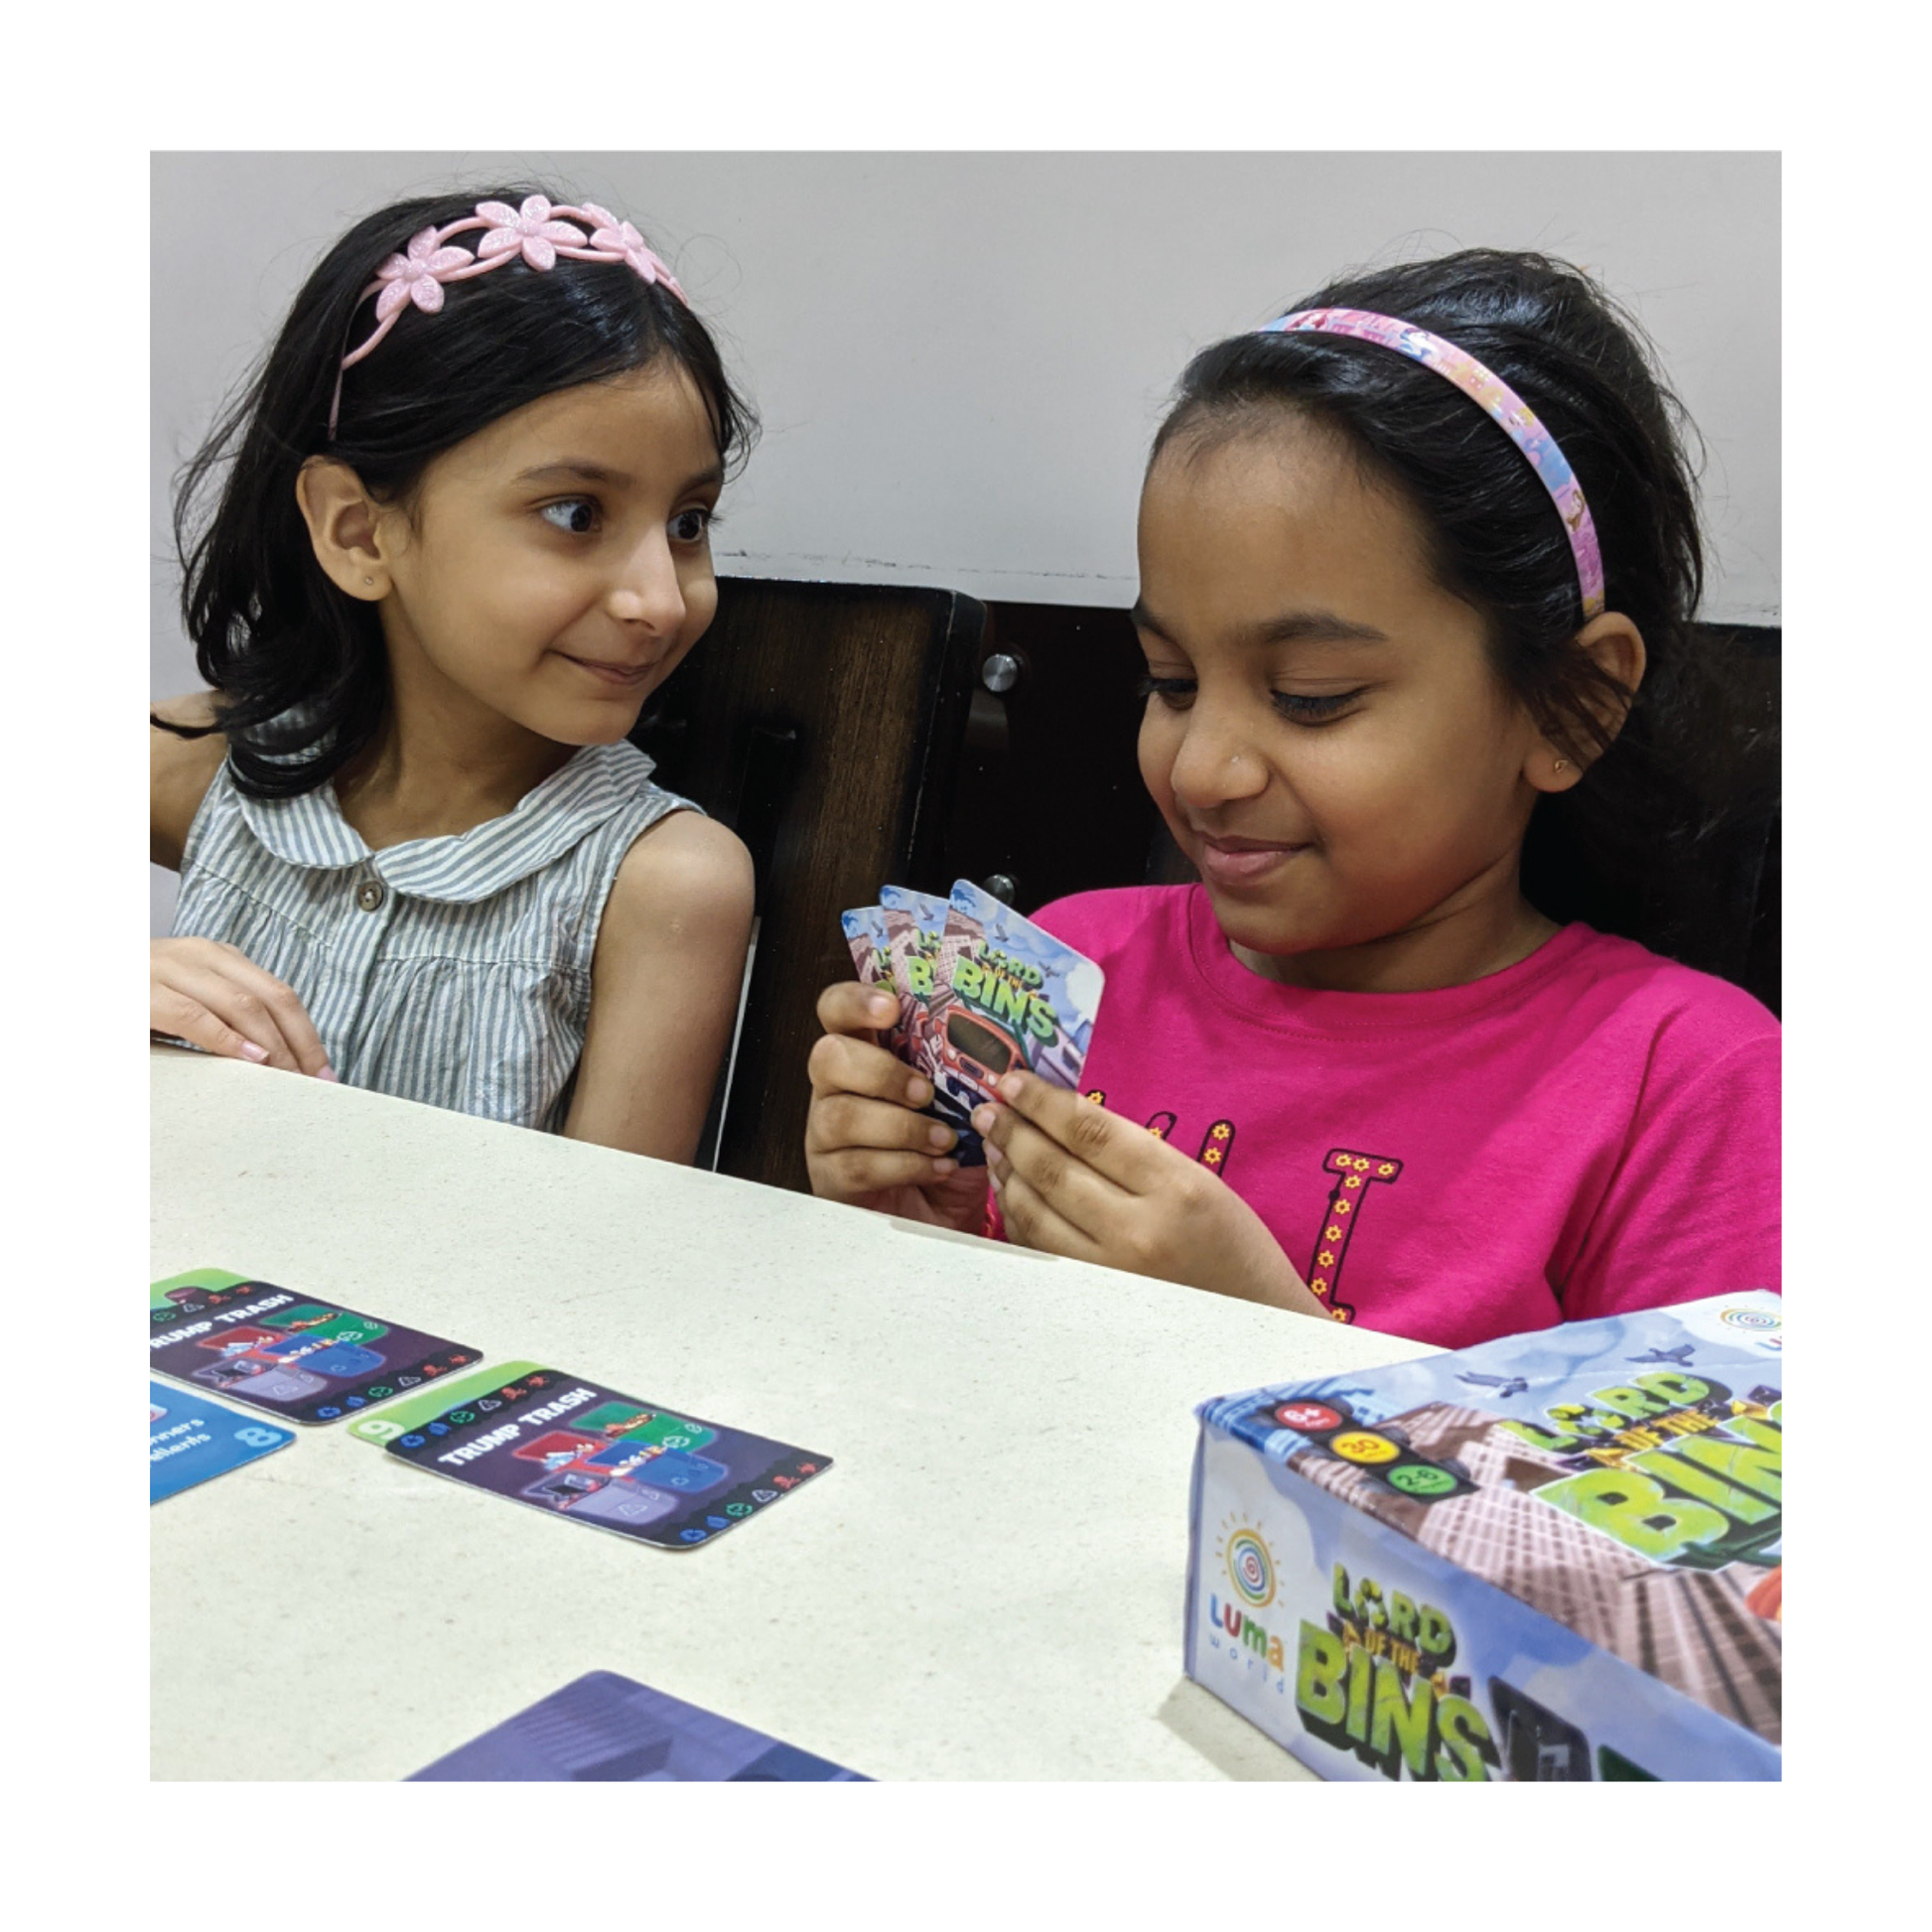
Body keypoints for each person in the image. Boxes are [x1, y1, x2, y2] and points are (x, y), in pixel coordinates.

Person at [803, 249, 1779, 1349]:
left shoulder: (1682, 1085)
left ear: (1569, 707)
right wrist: (921, 1224)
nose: (1203, 767)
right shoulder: (1072, 965)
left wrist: (1256, 1331)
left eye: (1311, 697)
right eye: (1168, 682)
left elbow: (1677, 1516)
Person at [151, 187, 759, 1161]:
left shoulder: (665, 886)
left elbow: (598, 1272)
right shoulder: (201, 764)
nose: (659, 596)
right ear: (358, 531)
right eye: (575, 514)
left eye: (687, 522)